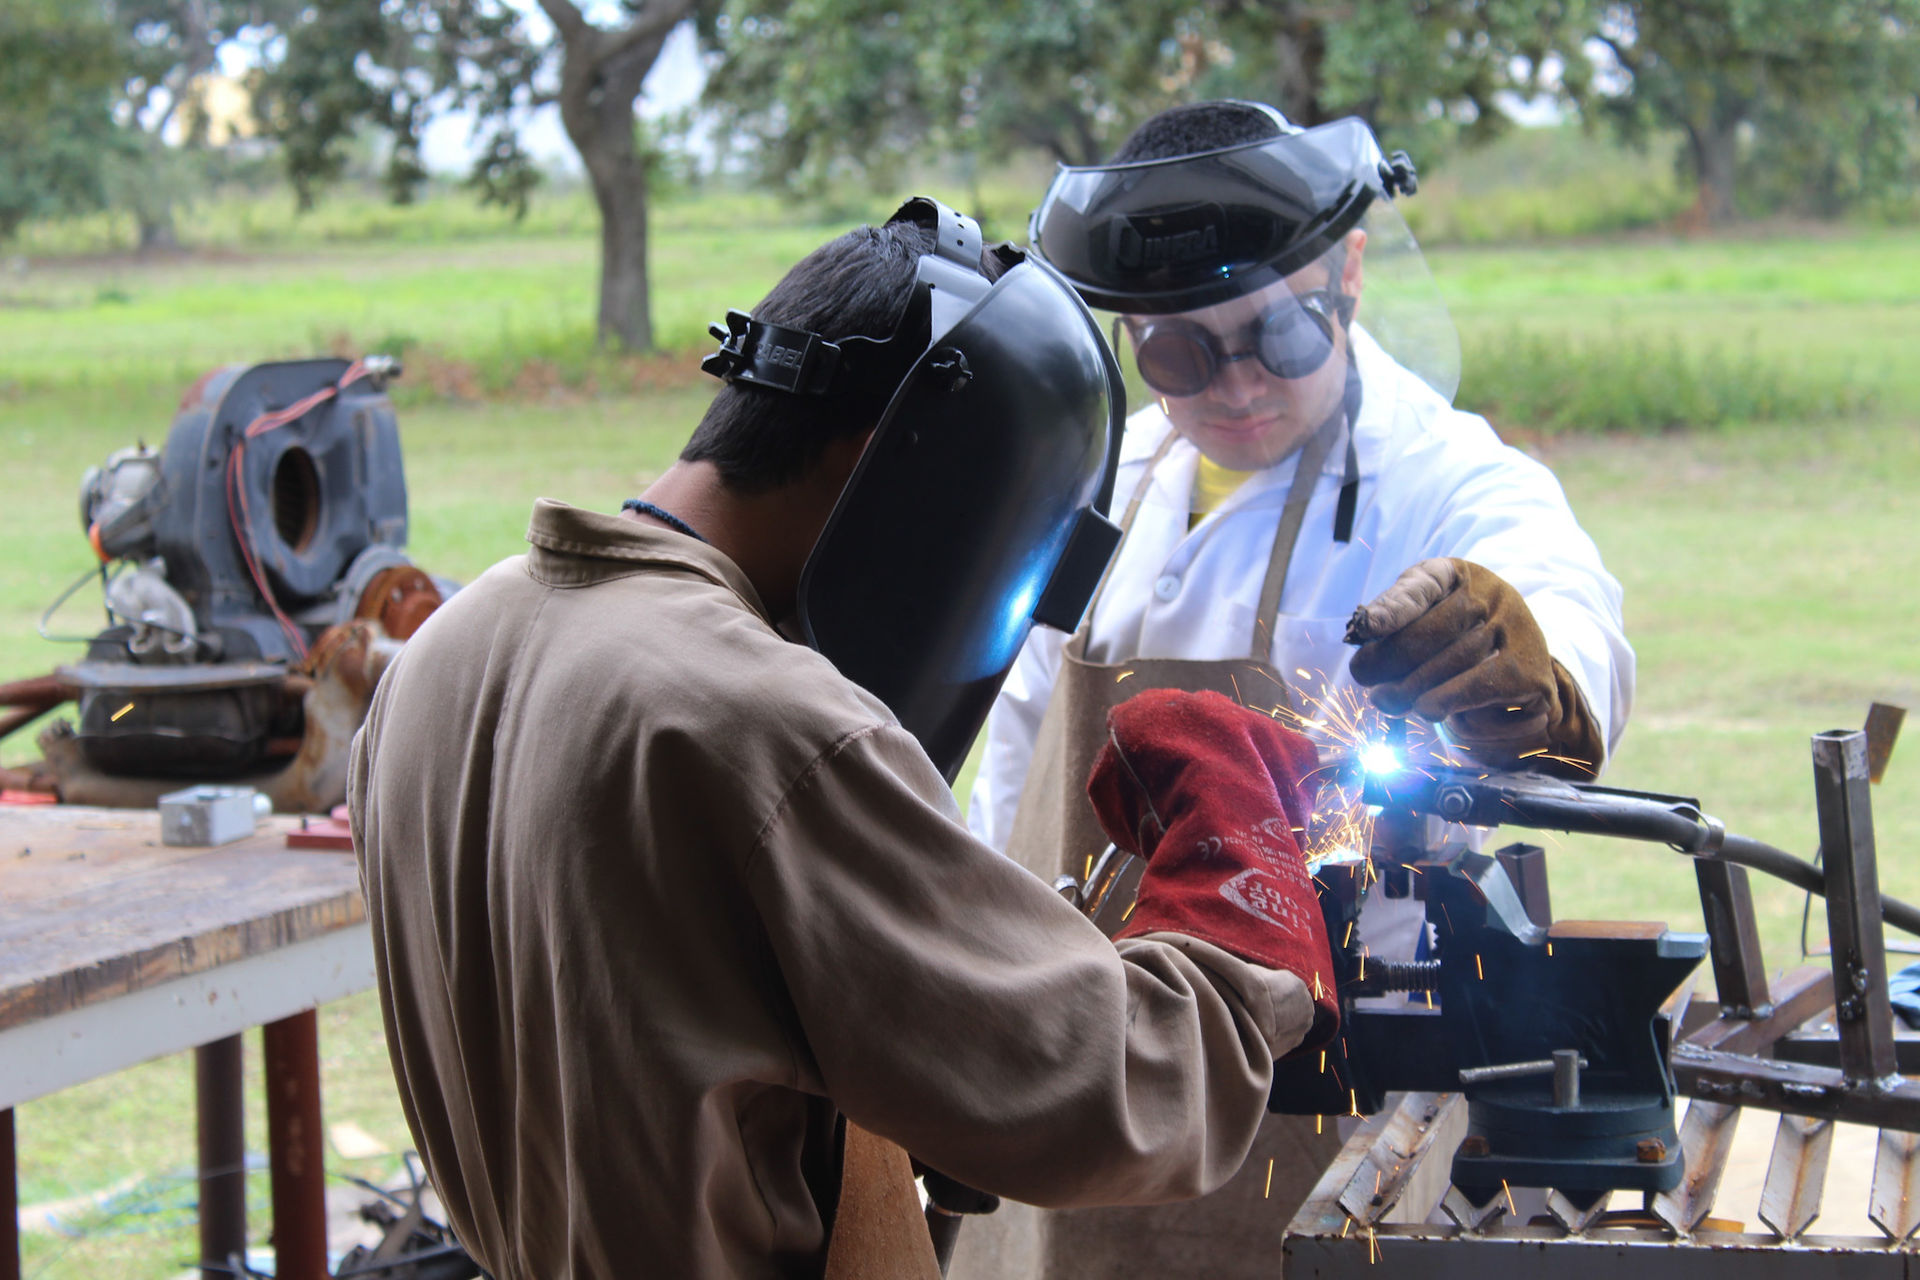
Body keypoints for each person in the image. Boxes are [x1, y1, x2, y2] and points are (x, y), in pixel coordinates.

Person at [349, 196, 1348, 1280]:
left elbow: (670, 1029)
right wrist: (1245, 903)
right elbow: (1116, 1092)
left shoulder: (448, 652)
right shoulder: (767, 726)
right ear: (896, 468)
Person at [959, 102, 1635, 1278]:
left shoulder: (1445, 475)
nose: (1233, 386)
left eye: (1275, 336)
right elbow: (1016, 746)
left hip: (1331, 1058)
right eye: (1178, 352)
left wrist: (1541, 679)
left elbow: (1560, 602)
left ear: (1350, 274)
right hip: (1079, 1046)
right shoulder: (1111, 487)